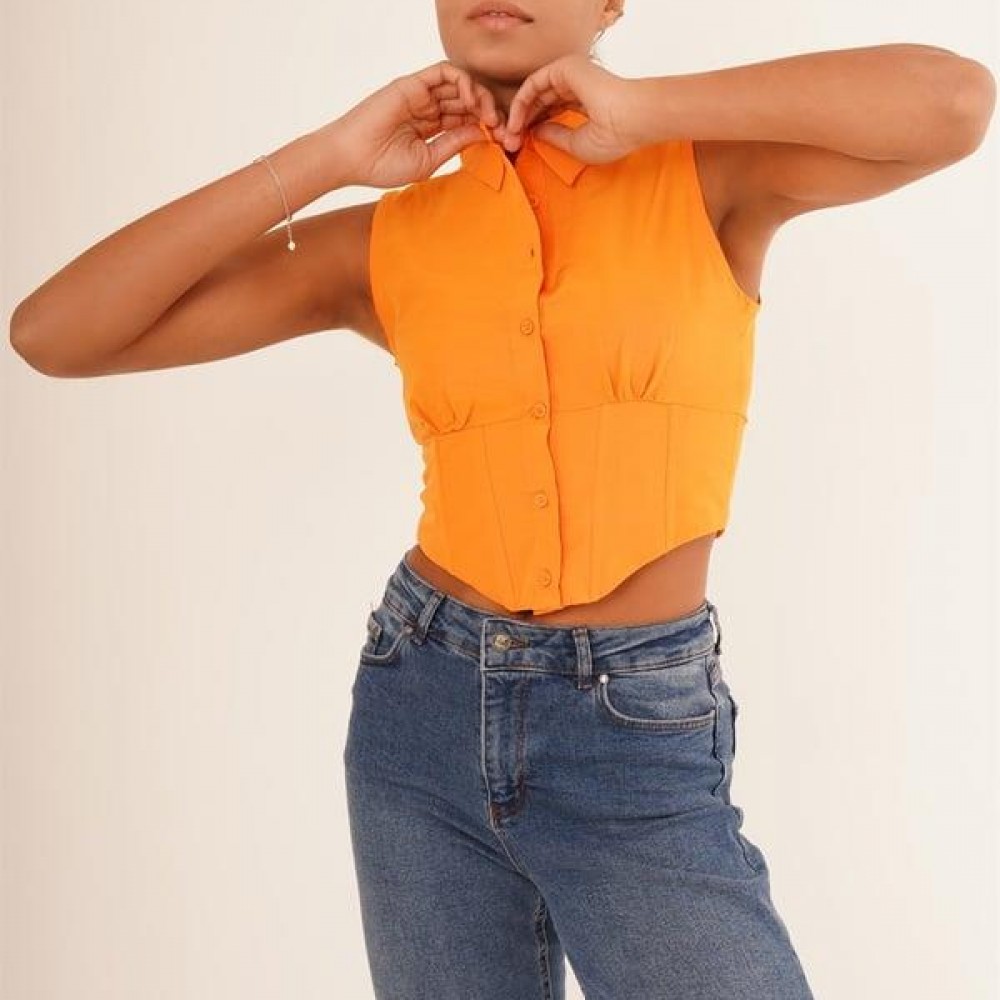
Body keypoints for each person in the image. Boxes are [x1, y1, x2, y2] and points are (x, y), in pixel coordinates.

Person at [9, 1, 994, 995]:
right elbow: (57, 333)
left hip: (631, 730)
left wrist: (646, 109)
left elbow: (953, 103)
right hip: (419, 709)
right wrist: (329, 155)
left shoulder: (708, 179)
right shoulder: (389, 238)